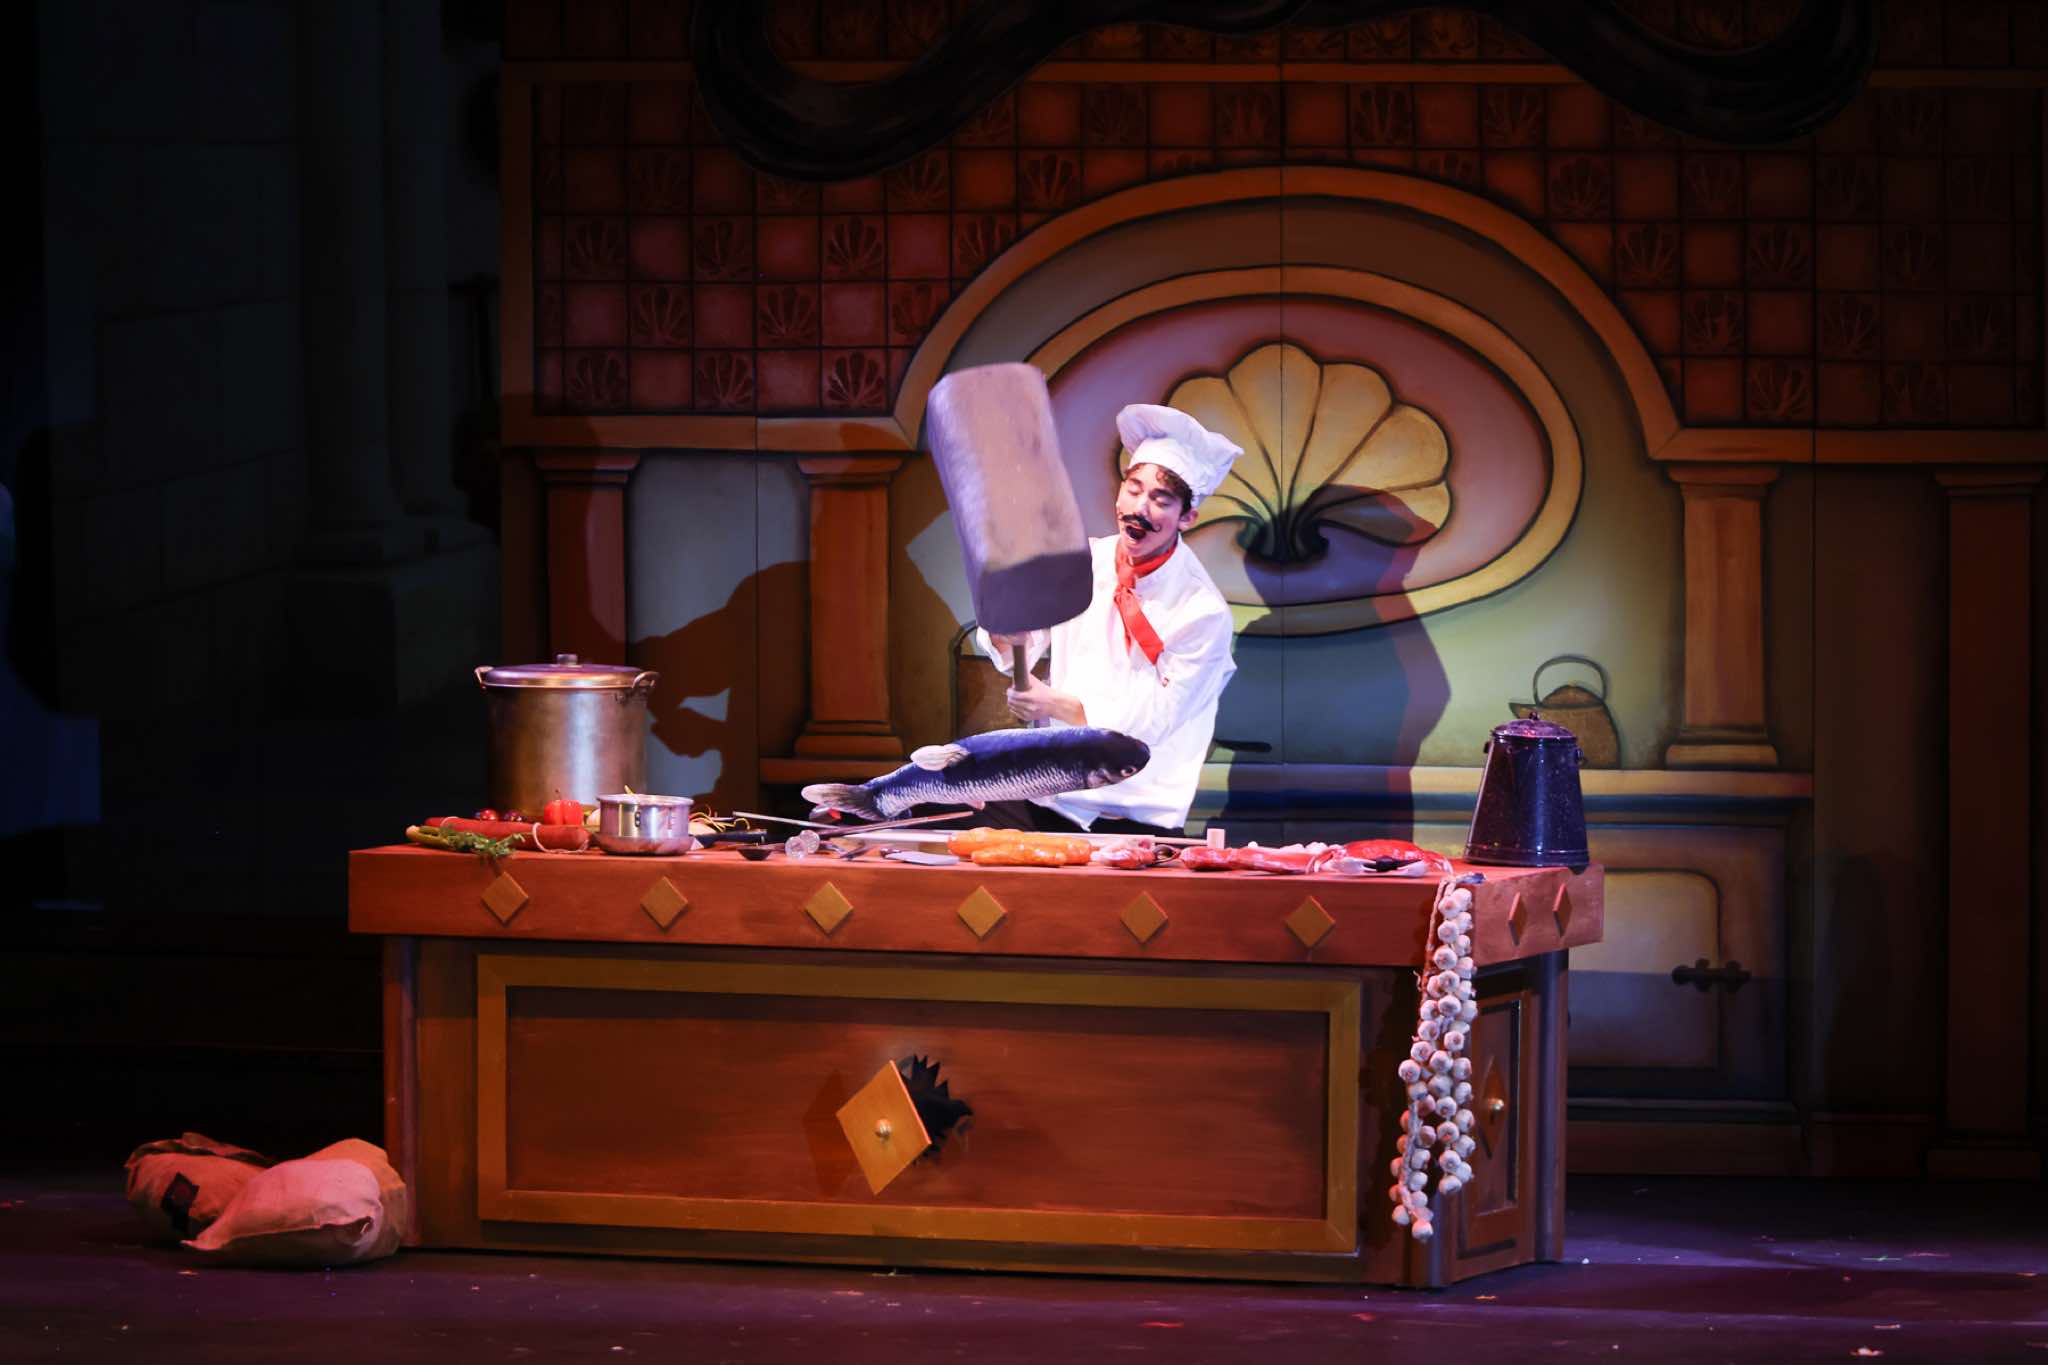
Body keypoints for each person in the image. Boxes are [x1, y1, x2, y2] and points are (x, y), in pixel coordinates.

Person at [972, 403, 1242, 837]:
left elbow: (1153, 723)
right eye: (1133, 489)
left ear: (1187, 517)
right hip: (1053, 793)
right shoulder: (1085, 562)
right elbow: (1023, 638)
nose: (1139, 508)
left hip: (1135, 815)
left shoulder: (1202, 612)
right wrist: (1006, 630)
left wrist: (1055, 705)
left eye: (1160, 500)